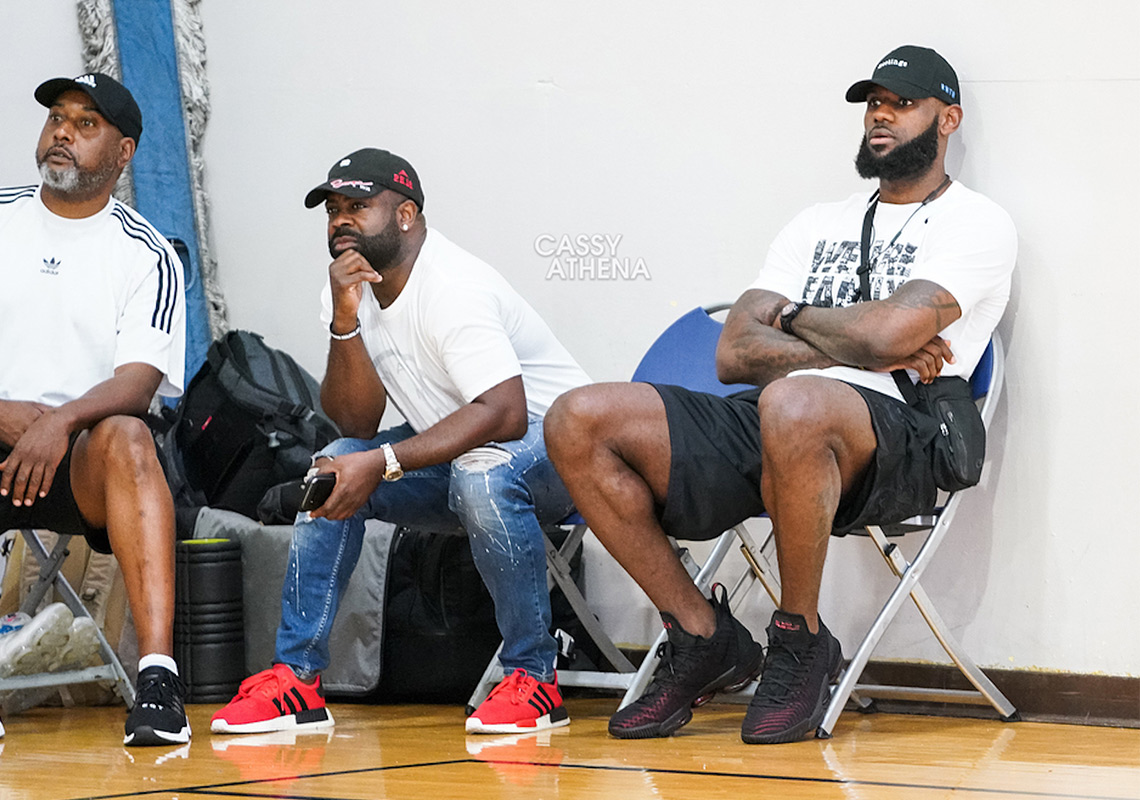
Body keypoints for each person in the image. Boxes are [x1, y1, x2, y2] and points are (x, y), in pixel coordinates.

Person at [545, 45, 1016, 744]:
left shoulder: (976, 224)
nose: (880, 114)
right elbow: (736, 353)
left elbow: (890, 338)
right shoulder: (815, 223)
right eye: (873, 102)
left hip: (902, 433)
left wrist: (800, 323)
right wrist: (840, 331)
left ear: (948, 119)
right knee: (577, 417)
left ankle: (799, 639)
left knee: (792, 401)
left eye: (902, 102)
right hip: (774, 414)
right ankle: (702, 634)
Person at [211, 148, 591, 736]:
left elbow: (506, 414)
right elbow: (354, 422)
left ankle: (533, 678)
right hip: (465, 459)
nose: (341, 221)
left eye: (358, 207)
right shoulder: (352, 287)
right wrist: (344, 319)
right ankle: (297, 681)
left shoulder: (452, 286)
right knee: (332, 468)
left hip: (567, 457)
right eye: (333, 209)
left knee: (482, 475)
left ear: (406, 215)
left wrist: (386, 462)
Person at [0, 73, 189, 746]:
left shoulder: (147, 255)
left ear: (123, 152)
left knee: (130, 438)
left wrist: (58, 422)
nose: (63, 132)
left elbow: (138, 384)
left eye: (86, 125)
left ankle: (159, 681)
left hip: (73, 461)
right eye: (58, 117)